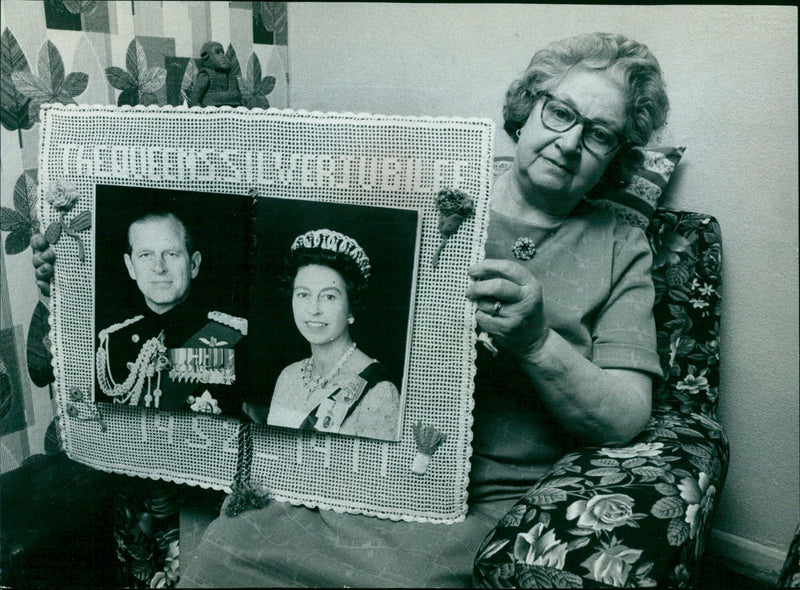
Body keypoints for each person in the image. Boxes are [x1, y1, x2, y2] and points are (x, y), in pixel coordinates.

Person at [176, 32, 667, 588]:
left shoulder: (620, 245)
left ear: (615, 159)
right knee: (228, 551)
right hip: (351, 464)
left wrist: (536, 341)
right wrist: (73, 268)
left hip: (477, 499)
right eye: (560, 113)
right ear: (528, 110)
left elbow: (626, 417)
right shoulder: (430, 187)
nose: (570, 141)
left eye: (599, 134)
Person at [35, 210, 248, 415]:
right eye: (146, 255)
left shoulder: (231, 338)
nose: (159, 267)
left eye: (171, 254)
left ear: (193, 264)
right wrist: (53, 297)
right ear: (130, 266)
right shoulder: (112, 341)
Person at [264, 229, 402, 441]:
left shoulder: (380, 393)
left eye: (329, 296)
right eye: (303, 294)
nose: (313, 309)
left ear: (351, 307)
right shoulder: (288, 376)